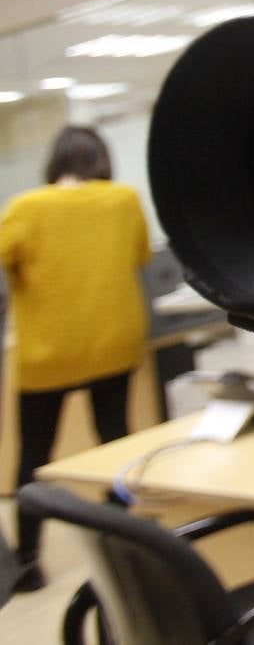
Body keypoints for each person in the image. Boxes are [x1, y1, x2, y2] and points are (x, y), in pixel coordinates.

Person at [0, 126, 151, 592]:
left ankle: (28, 563)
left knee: (35, 454)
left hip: (51, 354)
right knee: (116, 442)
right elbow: (139, 257)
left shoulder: (27, 207)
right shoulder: (123, 200)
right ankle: (125, 545)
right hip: (114, 343)